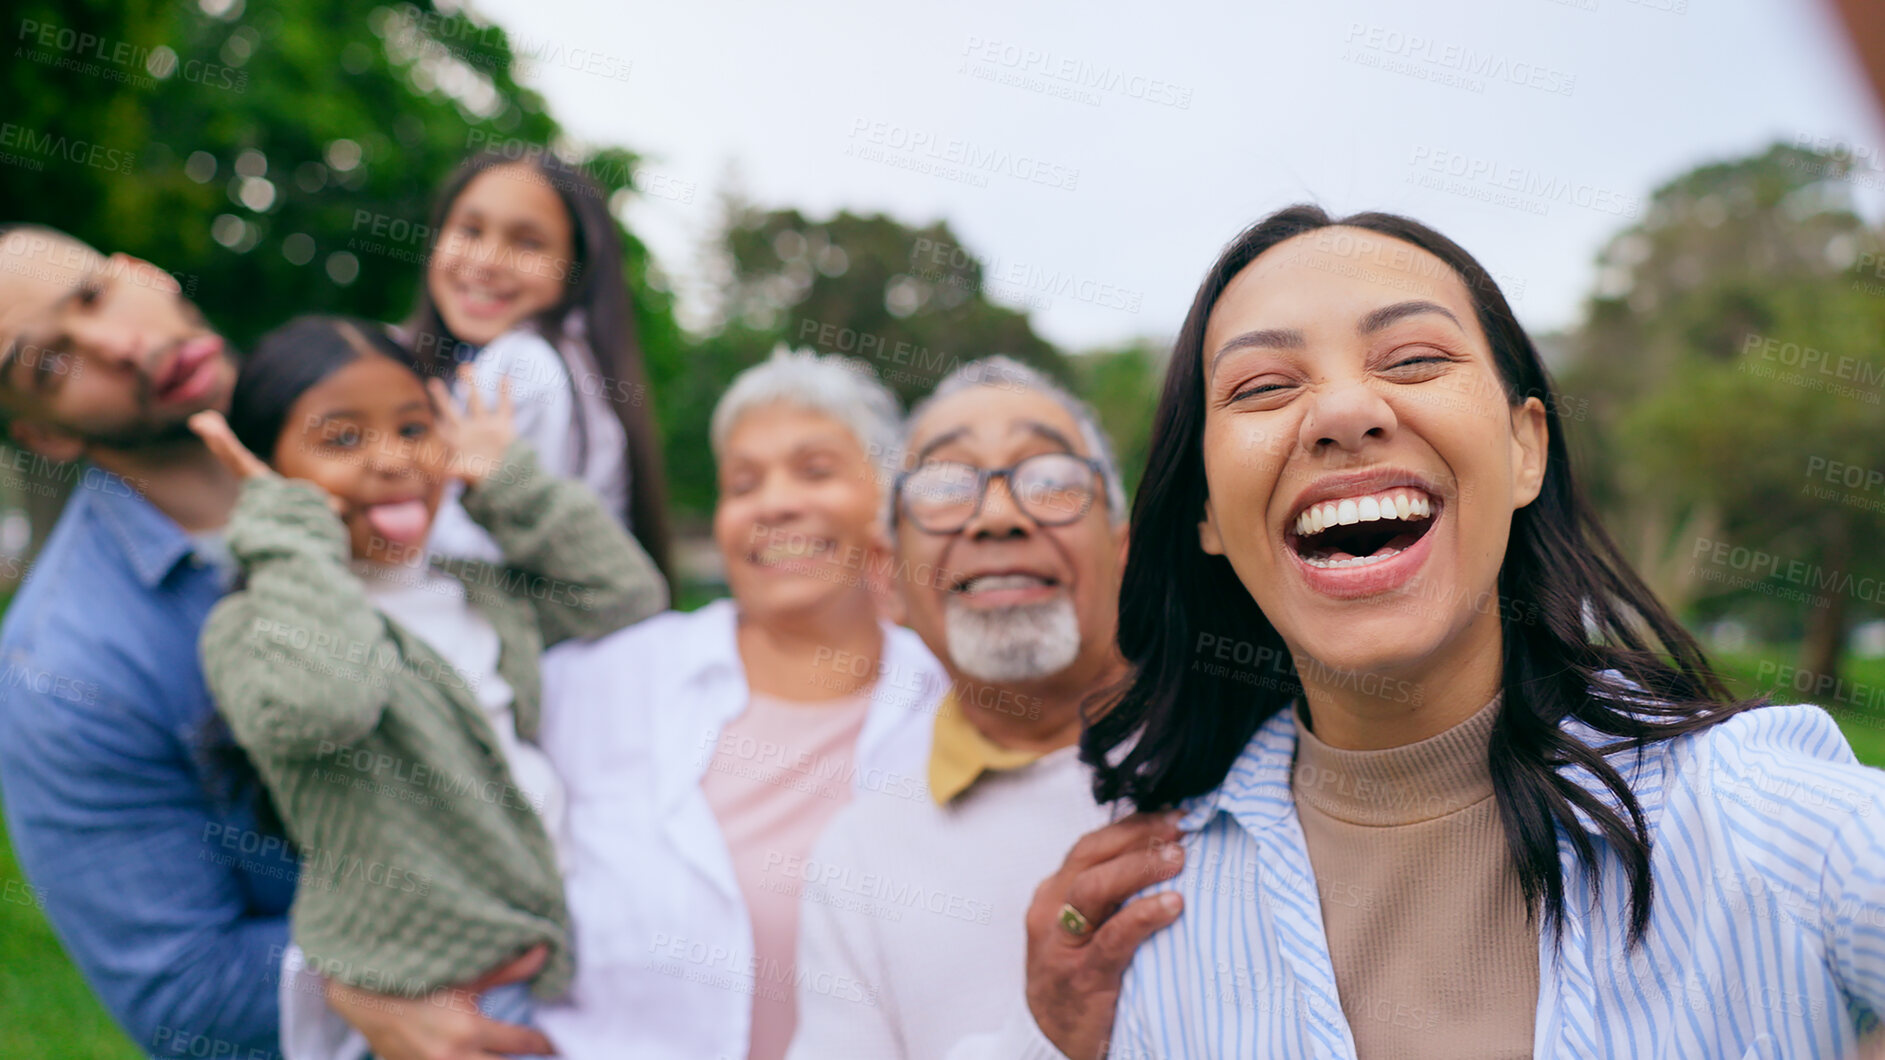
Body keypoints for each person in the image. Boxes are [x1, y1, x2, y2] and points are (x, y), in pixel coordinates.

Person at [1079, 205, 1885, 1058]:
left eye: (1415, 359)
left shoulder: (1753, 811)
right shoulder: (1154, 915)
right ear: (1203, 507)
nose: (1345, 411)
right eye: (1263, 386)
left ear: (1524, 448)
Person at [332, 347, 948, 1060]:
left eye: (815, 470)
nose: (774, 503)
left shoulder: (962, 714)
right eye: (742, 483)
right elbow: (402, 815)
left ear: (886, 505)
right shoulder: (604, 680)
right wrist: (359, 991)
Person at [190, 315, 666, 1058]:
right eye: (342, 439)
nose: (391, 460)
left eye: (413, 429)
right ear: (264, 471)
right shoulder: (250, 628)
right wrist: (286, 529)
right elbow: (329, 702)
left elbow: (623, 597)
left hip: (548, 960)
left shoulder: (475, 590)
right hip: (410, 997)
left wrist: (505, 480)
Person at [785, 357, 1187, 1060]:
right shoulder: (858, 858)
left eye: (1050, 479)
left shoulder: (1255, 756)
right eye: (944, 487)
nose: (998, 517)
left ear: (1123, 551)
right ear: (888, 581)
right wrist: (1044, 1031)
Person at [0, 224, 302, 1058]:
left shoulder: (376, 425)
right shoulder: (60, 669)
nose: (124, 347)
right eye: (50, 366)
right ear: (47, 437)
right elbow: (188, 992)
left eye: (95, 295)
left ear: (145, 269)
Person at [403, 148, 673, 583]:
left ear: (576, 267)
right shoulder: (446, 357)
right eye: (469, 230)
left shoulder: (524, 363)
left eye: (528, 243)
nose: (488, 261)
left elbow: (459, 562)